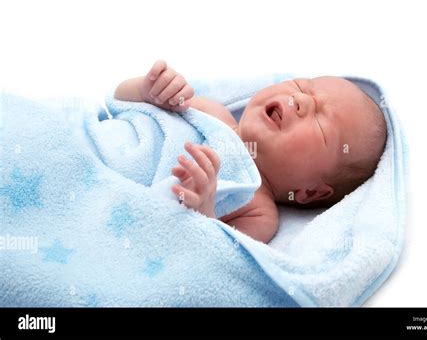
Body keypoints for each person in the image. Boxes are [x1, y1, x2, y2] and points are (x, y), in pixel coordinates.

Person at [114, 60, 387, 243]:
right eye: (302, 86)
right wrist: (148, 90)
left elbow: (213, 255)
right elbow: (120, 101)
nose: (301, 99)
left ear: (310, 192)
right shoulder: (213, 113)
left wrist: (202, 210)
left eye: (319, 121)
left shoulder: (258, 214)